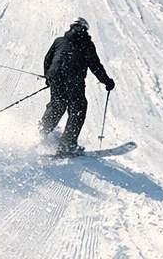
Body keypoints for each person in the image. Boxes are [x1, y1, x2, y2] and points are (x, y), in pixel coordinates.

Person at [40, 18, 114, 157]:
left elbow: (48, 59)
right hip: (74, 80)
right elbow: (95, 65)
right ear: (84, 29)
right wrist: (107, 81)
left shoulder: (59, 41)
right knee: (78, 109)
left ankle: (41, 133)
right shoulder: (86, 44)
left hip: (56, 78)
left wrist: (48, 77)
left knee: (57, 105)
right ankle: (67, 145)